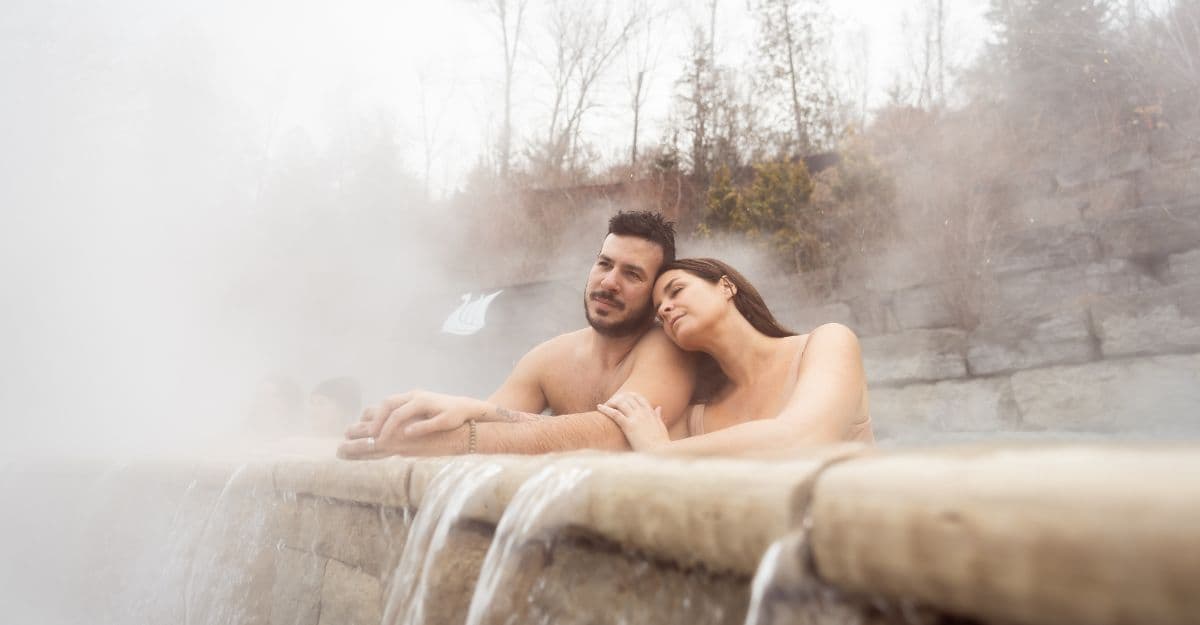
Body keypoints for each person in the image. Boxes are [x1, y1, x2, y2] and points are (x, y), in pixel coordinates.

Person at [337, 211, 696, 458]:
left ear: (655, 293)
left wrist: (461, 435)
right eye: (604, 263)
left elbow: (614, 434)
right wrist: (416, 426)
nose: (608, 282)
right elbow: (488, 418)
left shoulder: (667, 350)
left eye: (632, 274)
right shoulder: (549, 359)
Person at [596, 258, 874, 455]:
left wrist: (662, 452)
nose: (666, 309)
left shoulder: (826, 343)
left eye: (677, 291)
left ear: (726, 287)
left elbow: (804, 440)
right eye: (659, 311)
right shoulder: (697, 418)